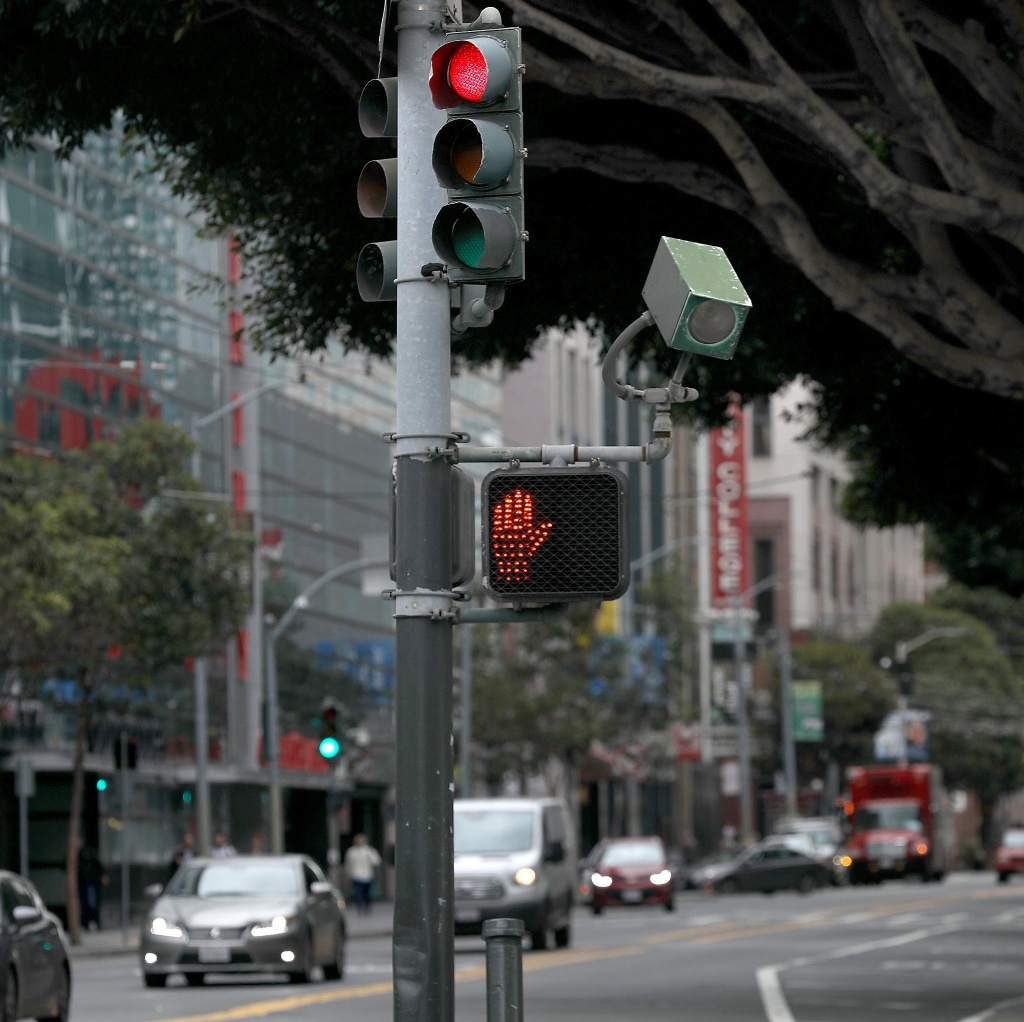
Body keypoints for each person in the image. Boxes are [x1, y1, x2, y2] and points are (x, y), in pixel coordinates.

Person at [344, 833, 381, 915]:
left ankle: (360, 906)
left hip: (357, 875)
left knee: (359, 892)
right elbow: (376, 861)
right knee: (365, 892)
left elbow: (348, 865)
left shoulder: (351, 851)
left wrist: (348, 874)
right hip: (366, 875)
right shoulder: (368, 851)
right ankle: (366, 906)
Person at [77, 840, 106, 931]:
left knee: (92, 903)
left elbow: (98, 864)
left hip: (90, 881)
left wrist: (102, 875)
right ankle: (85, 924)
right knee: (83, 904)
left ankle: (94, 921)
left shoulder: (88, 852)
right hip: (81, 882)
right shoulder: (76, 854)